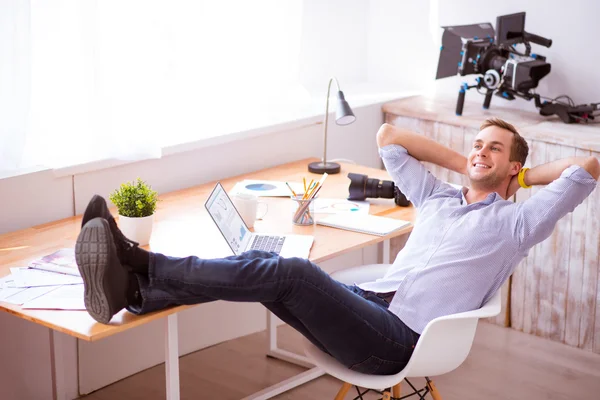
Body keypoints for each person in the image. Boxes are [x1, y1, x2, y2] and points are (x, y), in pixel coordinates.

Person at [75, 117, 599, 376]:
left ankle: (137, 262)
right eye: (476, 142)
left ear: (514, 166)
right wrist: (470, 165)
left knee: (290, 274)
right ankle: (137, 290)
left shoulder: (518, 222)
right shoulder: (439, 197)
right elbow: (388, 136)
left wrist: (518, 177)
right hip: (373, 309)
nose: (480, 150)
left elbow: (589, 166)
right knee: (266, 268)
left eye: (494, 148)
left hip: (401, 342)